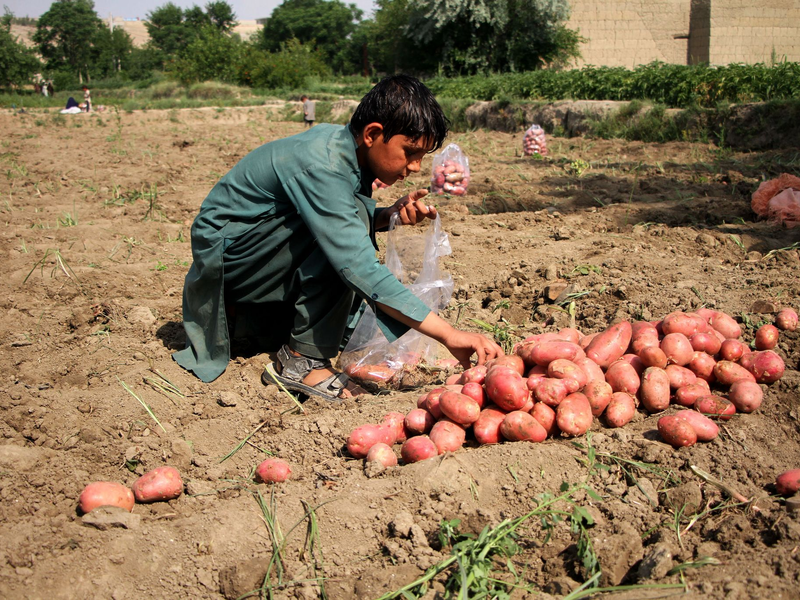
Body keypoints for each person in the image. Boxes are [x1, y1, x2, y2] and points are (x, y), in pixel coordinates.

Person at [173, 75, 503, 397]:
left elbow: (336, 215)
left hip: (253, 261)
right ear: (373, 134)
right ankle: (301, 361)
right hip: (232, 269)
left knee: (349, 229)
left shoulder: (344, 148)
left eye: (422, 157)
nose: (416, 166)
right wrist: (449, 334)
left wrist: (386, 215)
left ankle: (266, 326)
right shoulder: (325, 164)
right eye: (410, 152)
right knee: (345, 248)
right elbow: (356, 262)